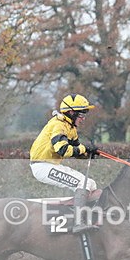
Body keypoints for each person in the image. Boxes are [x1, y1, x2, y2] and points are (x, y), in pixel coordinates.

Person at [29, 94, 100, 234]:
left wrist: (89, 153)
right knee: (83, 184)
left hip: (51, 165)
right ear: (71, 113)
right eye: (81, 115)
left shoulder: (70, 128)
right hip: (42, 166)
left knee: (90, 184)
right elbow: (62, 150)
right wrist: (84, 149)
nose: (83, 118)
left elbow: (76, 151)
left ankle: (84, 217)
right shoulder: (58, 124)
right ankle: (78, 223)